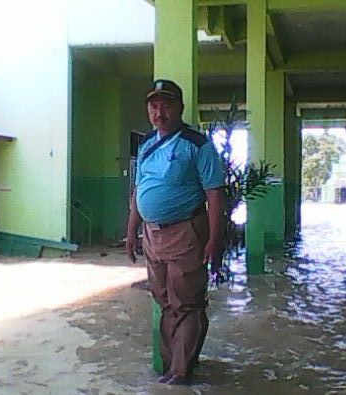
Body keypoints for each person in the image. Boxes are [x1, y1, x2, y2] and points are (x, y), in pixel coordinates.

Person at [125, 79, 226, 385]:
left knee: (187, 303)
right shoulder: (146, 145)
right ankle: (171, 369)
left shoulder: (197, 145)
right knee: (164, 301)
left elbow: (215, 195)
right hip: (153, 235)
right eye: (154, 105)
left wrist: (214, 240)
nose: (159, 111)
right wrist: (132, 233)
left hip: (186, 232)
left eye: (166, 104)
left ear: (180, 108)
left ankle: (182, 373)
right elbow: (139, 191)